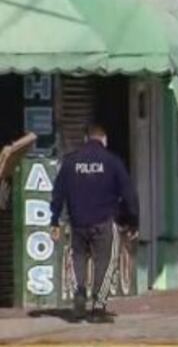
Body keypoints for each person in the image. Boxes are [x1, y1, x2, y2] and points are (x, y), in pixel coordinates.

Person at [50, 124, 139, 323]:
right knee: (106, 262)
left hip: (78, 222)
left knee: (77, 258)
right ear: (104, 140)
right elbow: (129, 194)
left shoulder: (70, 162)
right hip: (104, 221)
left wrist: (54, 220)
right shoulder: (113, 161)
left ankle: (79, 294)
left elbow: (58, 193)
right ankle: (98, 307)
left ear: (85, 139)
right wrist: (132, 222)